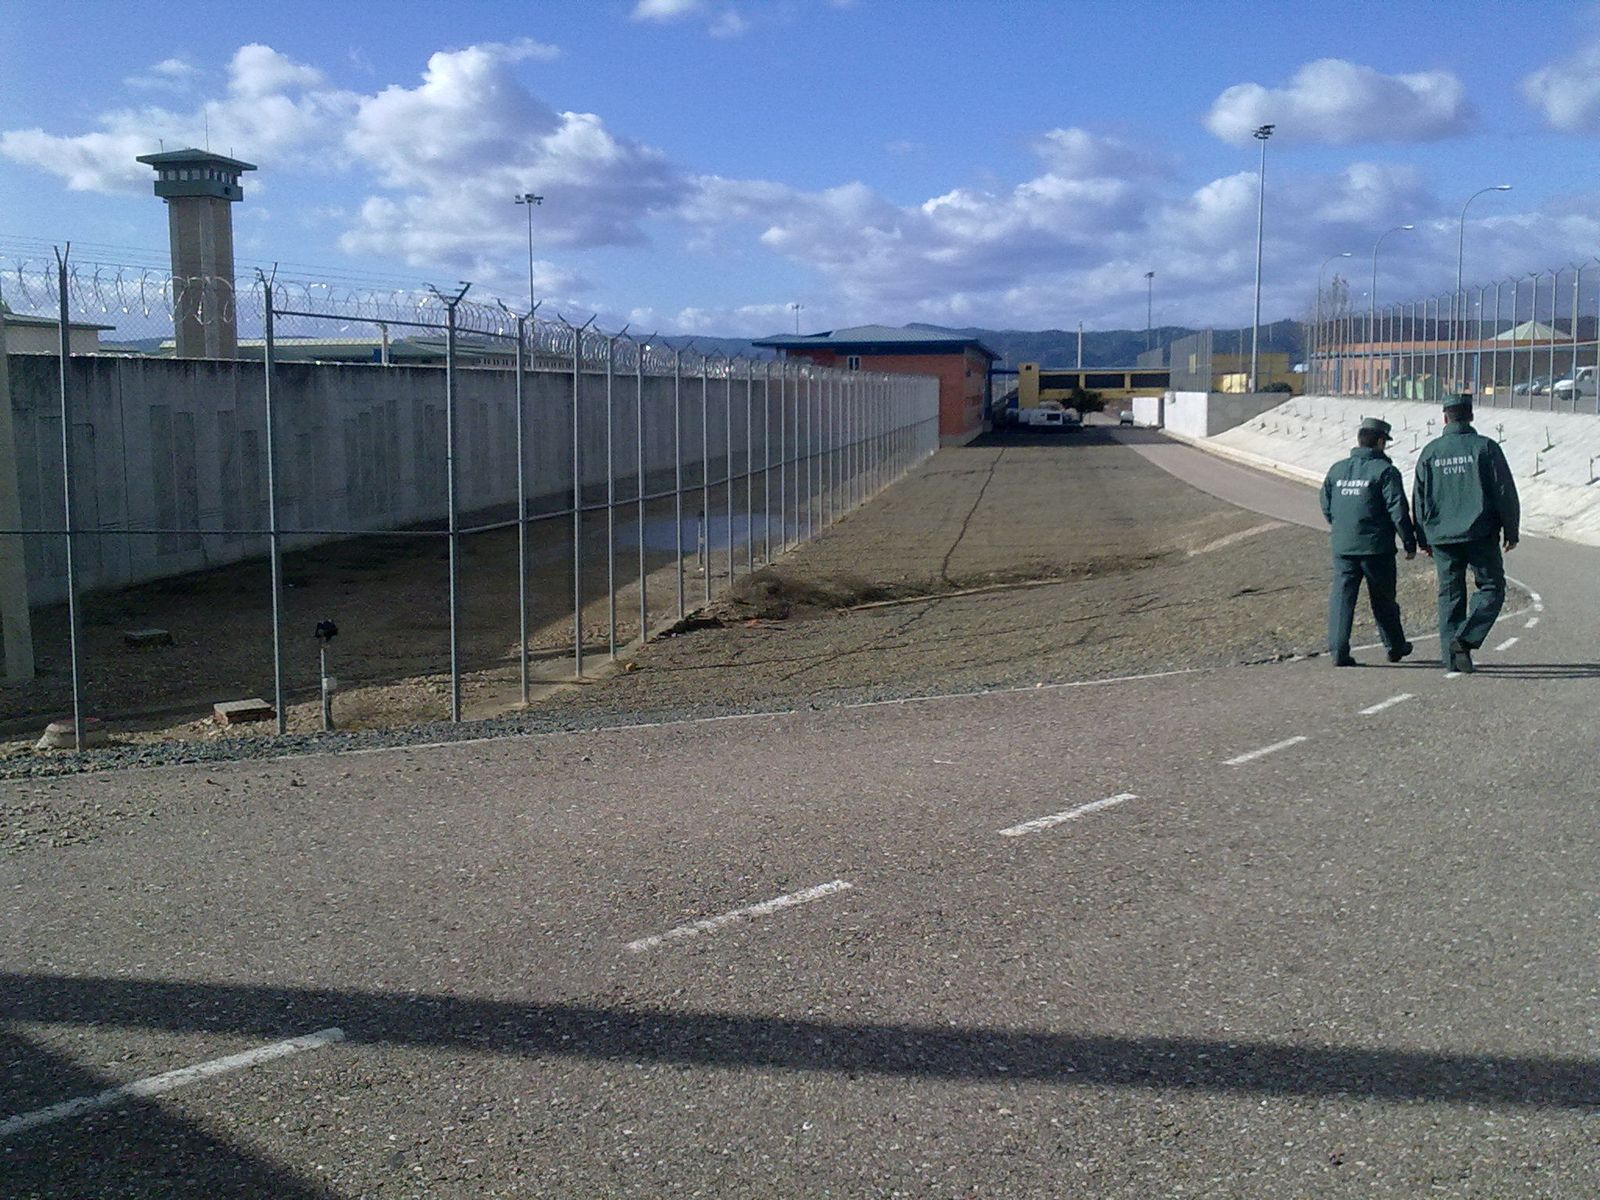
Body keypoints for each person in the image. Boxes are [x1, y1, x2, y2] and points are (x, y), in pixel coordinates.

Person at [1413, 394, 1521, 674]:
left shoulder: (1430, 452)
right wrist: (1511, 529)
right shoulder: (1485, 447)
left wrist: (1422, 537)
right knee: (1492, 588)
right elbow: (1503, 492)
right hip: (1480, 534)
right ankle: (1465, 639)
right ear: (1470, 416)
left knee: (1450, 595)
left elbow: (1419, 498)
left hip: (1442, 537)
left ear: (1444, 417)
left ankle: (1453, 659)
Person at [1320, 416, 1416, 666]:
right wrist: (1409, 541)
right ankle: (1394, 646)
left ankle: (1338, 652)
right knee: (1383, 599)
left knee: (1342, 600)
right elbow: (1398, 509)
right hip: (1377, 548)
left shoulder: (1337, 469)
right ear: (1381, 442)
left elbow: (1326, 504)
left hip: (1343, 546)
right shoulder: (1385, 472)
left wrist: (1341, 527)